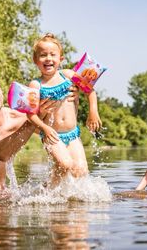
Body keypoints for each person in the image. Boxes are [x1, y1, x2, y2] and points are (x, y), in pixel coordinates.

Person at [0, 70, 77, 202]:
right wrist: (34, 121)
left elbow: (57, 128)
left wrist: (69, 96)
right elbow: (0, 152)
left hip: (1, 196)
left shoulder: (13, 116)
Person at [26, 33, 102, 182]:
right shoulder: (36, 85)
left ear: (60, 59)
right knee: (65, 164)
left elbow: (90, 91)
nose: (48, 58)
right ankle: (50, 192)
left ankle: (67, 200)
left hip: (73, 134)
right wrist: (44, 128)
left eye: (52, 55)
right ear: (35, 60)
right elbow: (30, 115)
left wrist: (93, 112)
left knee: (81, 171)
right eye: (43, 55)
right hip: (52, 134)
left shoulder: (68, 75)